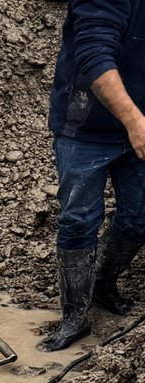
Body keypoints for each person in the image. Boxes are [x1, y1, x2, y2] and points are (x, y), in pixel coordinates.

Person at [40, 0, 145, 351]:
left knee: (139, 216)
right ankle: (73, 316)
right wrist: (134, 122)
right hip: (86, 126)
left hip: (141, 124)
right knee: (79, 218)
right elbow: (94, 54)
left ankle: (102, 283)